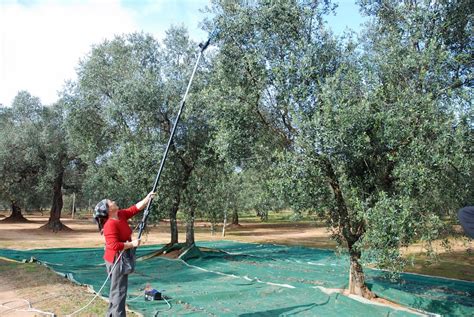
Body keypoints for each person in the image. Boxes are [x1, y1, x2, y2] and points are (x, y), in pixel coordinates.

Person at [93, 192, 155, 317]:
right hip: (116, 260)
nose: (113, 201)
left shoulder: (120, 215)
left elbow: (134, 209)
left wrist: (147, 199)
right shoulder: (110, 224)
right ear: (108, 210)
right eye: (110, 202)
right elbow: (114, 245)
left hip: (120, 258)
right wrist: (132, 244)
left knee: (116, 290)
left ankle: (111, 314)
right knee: (119, 291)